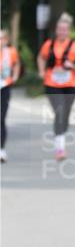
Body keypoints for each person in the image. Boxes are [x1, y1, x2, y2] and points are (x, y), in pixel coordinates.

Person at [37, 13, 75, 161]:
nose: (62, 32)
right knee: (59, 111)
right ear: (56, 30)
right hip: (52, 84)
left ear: (68, 31)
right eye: (59, 29)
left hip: (70, 85)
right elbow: (41, 57)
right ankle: (60, 148)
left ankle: (61, 135)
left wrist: (73, 65)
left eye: (64, 29)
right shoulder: (49, 45)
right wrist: (41, 71)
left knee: (65, 114)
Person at [1, 29, 21, 162]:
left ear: (7, 40)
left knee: (1, 118)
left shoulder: (11, 52)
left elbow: (17, 64)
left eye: (2, 38)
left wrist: (15, 76)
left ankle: (1, 149)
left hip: (5, 86)